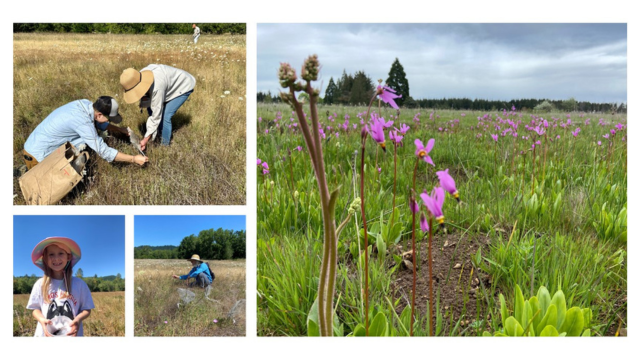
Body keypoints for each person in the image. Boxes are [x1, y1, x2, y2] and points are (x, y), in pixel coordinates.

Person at [22, 96, 148, 170]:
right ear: (99, 114)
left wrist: (120, 130)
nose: (110, 122)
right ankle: (25, 169)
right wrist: (133, 159)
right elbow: (103, 151)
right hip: (38, 156)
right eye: (109, 119)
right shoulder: (82, 122)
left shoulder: (87, 105)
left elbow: (99, 123)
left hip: (33, 144)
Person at [27, 237, 94, 337]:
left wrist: (78, 320)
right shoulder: (40, 284)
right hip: (46, 335)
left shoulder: (79, 284)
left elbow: (86, 309)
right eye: (51, 254)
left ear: (68, 257)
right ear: (45, 259)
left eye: (61, 253)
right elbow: (35, 309)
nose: (56, 258)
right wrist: (41, 320)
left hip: (71, 334)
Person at [120, 65, 196, 148]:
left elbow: (156, 116)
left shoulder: (157, 87)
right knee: (151, 109)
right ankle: (157, 133)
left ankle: (165, 146)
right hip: (166, 84)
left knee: (165, 116)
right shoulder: (137, 76)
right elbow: (146, 95)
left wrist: (145, 140)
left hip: (184, 85)